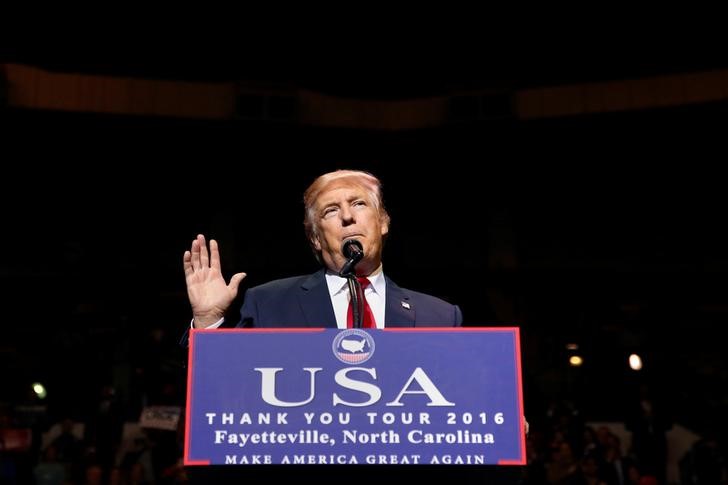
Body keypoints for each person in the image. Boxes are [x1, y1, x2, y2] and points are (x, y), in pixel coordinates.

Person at [183, 169, 462, 331]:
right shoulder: (268, 304)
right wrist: (208, 321)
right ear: (315, 238)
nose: (347, 216)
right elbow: (224, 385)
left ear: (383, 223)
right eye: (331, 210)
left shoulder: (438, 316)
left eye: (359, 204)